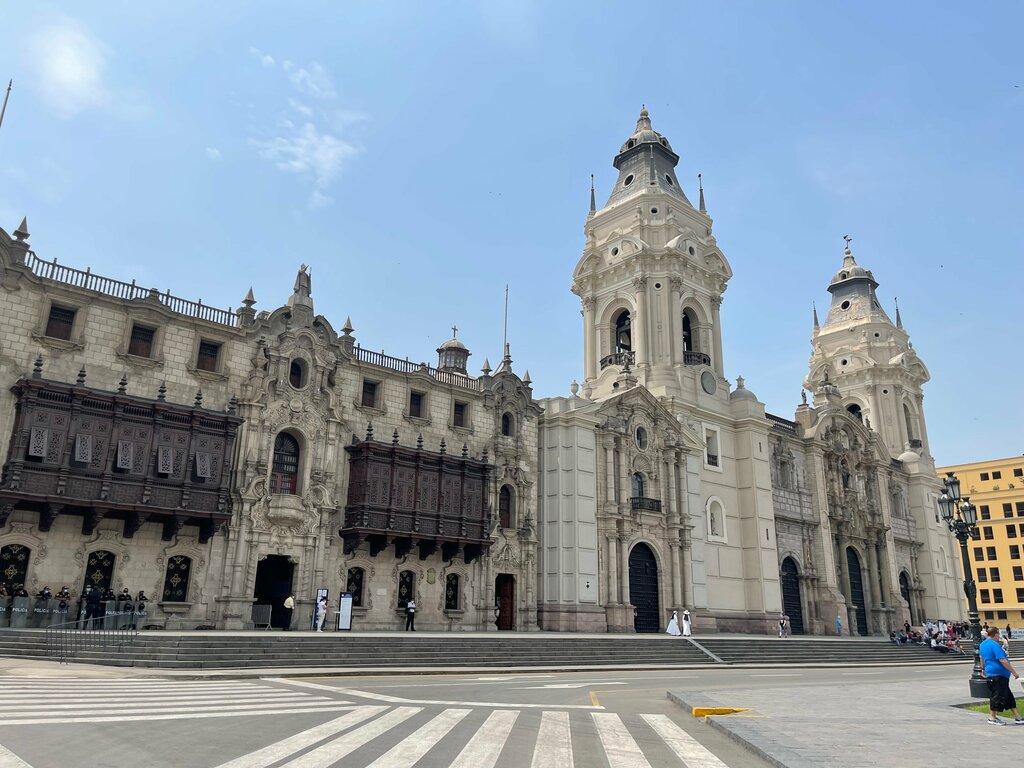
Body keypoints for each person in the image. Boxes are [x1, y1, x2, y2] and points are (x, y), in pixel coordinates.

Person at [979, 626, 1024, 725]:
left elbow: (981, 657)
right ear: (995, 634)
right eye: (998, 634)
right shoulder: (994, 645)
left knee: (1008, 696)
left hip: (994, 674)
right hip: (997, 675)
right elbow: (1002, 660)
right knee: (997, 696)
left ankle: (1017, 716)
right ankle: (992, 717)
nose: (999, 637)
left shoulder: (982, 644)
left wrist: (983, 669)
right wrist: (1014, 672)